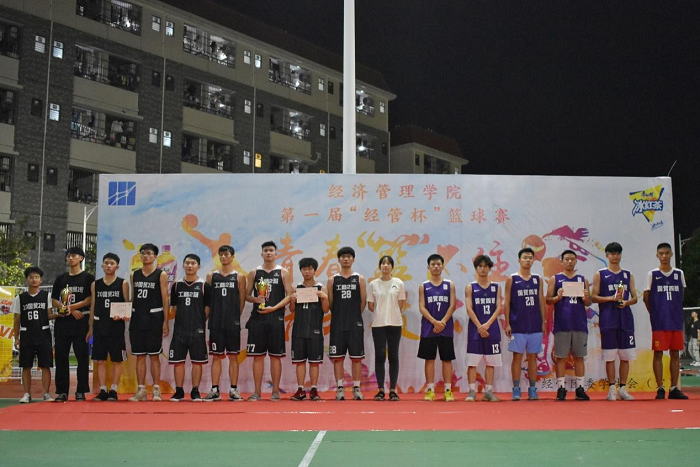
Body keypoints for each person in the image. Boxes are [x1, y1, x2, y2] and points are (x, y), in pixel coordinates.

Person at [244, 241, 293, 401]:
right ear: (262, 253)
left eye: (271, 250)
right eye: (266, 250)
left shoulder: (283, 272)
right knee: (257, 357)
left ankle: (275, 392)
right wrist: (255, 299)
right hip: (257, 319)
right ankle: (257, 392)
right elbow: (246, 295)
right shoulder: (254, 272)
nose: (268, 253)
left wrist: (275, 308)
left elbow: (289, 295)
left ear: (276, 253)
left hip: (276, 319)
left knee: (275, 357)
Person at [592, 242, 638, 401]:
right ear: (607, 255)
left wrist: (626, 302)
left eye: (618, 253)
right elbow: (593, 297)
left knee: (625, 356)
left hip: (625, 320)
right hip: (608, 320)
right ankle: (612, 388)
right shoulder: (600, 274)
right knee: (609, 356)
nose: (615, 256)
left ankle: (623, 388)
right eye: (612, 253)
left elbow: (635, 298)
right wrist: (610, 298)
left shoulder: (628, 274)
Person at [643, 242, 689, 399]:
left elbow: (681, 296)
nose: (664, 256)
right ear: (657, 255)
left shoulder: (679, 274)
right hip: (660, 321)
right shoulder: (652, 274)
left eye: (667, 253)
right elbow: (646, 297)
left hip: (675, 320)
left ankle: (674, 388)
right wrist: (655, 314)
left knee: (675, 353)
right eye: (661, 254)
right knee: (658, 353)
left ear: (671, 254)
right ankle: (660, 388)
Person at [546, 250, 591, 401]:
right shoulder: (555, 279)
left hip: (579, 324)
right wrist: (557, 297)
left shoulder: (582, 279)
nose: (570, 262)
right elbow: (548, 300)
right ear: (562, 261)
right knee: (561, 358)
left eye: (572, 259)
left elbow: (588, 302)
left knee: (579, 357)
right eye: (567, 259)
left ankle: (580, 389)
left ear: (576, 261)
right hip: (562, 325)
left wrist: (585, 297)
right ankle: (561, 388)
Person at [51, 247, 94, 402]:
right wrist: (67, 309)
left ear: (81, 258)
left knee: (82, 357)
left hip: (81, 321)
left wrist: (72, 307)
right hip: (63, 322)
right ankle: (62, 391)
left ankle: (81, 391)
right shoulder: (61, 278)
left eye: (74, 256)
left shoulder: (88, 278)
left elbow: (89, 299)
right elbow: (54, 299)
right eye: (68, 256)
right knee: (61, 357)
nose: (70, 258)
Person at [203, 245, 246, 402]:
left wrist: (234, 317)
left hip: (232, 323)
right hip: (215, 323)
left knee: (233, 356)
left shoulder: (239, 277)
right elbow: (207, 301)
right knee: (216, 356)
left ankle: (233, 390)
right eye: (220, 255)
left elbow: (241, 301)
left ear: (232, 257)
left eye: (226, 254)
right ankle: (215, 390)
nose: (223, 257)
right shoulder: (211, 276)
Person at [129, 243, 169, 402]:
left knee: (154, 355)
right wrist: (123, 312)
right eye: (143, 253)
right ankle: (141, 390)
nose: (145, 256)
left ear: (155, 256)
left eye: (149, 253)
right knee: (140, 355)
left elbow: (165, 299)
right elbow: (133, 298)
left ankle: (156, 389)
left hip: (154, 318)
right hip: (137, 318)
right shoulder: (134, 275)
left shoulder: (161, 274)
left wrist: (165, 321)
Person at [87, 253, 130, 401]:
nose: (109, 265)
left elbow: (126, 303)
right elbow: (93, 306)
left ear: (117, 266)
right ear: (102, 266)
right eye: (106, 263)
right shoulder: (95, 284)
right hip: (100, 325)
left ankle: (114, 390)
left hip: (116, 326)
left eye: (112, 263)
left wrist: (125, 315)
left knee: (117, 360)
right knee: (100, 360)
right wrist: (91, 327)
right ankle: (103, 390)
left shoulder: (123, 283)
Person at [169, 254, 211, 401]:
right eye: (187, 263)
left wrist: (199, 321)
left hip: (197, 330)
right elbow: (174, 307)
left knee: (197, 362)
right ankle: (179, 391)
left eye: (193, 263)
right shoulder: (177, 285)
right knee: (178, 362)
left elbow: (207, 308)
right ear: (183, 265)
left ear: (198, 266)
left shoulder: (204, 285)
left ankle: (195, 391)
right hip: (179, 330)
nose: (190, 266)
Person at [504, 247, 545, 401]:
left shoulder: (538, 279)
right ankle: (516, 389)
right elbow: (507, 302)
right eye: (525, 257)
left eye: (530, 257)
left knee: (533, 357)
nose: (528, 260)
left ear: (533, 260)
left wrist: (543, 321)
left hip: (535, 324)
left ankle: (532, 389)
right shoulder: (512, 279)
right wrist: (507, 323)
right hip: (517, 325)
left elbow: (541, 301)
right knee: (517, 357)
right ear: (519, 260)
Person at [328, 246, 368, 401]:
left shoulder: (359, 279)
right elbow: (331, 303)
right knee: (338, 358)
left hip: (354, 324)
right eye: (343, 256)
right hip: (338, 324)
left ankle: (356, 388)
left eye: (349, 256)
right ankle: (340, 388)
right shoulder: (332, 280)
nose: (346, 259)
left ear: (353, 259)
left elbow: (363, 302)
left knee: (356, 358)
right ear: (339, 259)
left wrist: (354, 316)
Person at [417, 254, 457, 402]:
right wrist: (435, 322)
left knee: (447, 359)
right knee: (430, 359)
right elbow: (422, 307)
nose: (435, 267)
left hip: (446, 328)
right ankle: (430, 390)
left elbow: (452, 305)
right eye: (433, 264)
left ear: (443, 266)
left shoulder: (449, 285)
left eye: (438, 264)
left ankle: (448, 390)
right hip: (429, 328)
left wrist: (442, 322)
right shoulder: (424, 286)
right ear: (428, 267)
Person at [289, 257, 330, 401]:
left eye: (310, 269)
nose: (307, 271)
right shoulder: (297, 288)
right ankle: (300, 389)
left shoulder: (321, 288)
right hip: (299, 330)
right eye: (304, 269)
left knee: (314, 362)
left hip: (315, 331)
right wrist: (292, 300)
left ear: (315, 270)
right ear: (301, 271)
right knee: (299, 361)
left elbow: (326, 310)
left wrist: (325, 298)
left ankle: (313, 389)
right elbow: (292, 309)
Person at [12, 267, 54, 403]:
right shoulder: (20, 298)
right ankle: (26, 394)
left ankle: (46, 393)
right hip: (27, 335)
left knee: (45, 365)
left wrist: (61, 313)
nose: (34, 280)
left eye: (36, 277)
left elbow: (50, 315)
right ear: (26, 280)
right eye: (31, 277)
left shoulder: (47, 296)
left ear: (41, 280)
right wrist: (16, 338)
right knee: (26, 366)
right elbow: (16, 319)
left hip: (43, 334)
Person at [368, 255, 406, 401]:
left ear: (392, 267)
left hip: (395, 324)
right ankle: (380, 390)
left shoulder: (398, 283)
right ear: (379, 266)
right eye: (383, 263)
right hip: (378, 324)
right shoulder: (373, 284)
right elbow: (371, 305)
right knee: (380, 356)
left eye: (388, 263)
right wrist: (381, 313)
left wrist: (391, 313)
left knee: (393, 356)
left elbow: (401, 304)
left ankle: (393, 390)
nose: (385, 265)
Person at [465, 255, 503, 402]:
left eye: (485, 266)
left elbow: (498, 308)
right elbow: (469, 308)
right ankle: (471, 391)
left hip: (491, 329)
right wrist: (480, 326)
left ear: (489, 268)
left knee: (491, 362)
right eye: (480, 266)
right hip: (475, 330)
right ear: (476, 268)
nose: (482, 269)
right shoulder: (470, 287)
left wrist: (487, 324)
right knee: (472, 363)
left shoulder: (496, 287)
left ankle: (488, 391)